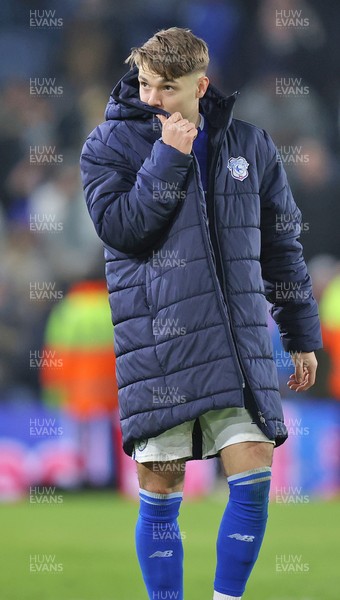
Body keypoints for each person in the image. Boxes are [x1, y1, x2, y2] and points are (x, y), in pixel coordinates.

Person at [80, 27, 322, 600]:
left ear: (200, 85)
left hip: (236, 342)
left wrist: (299, 333)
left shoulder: (249, 146)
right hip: (158, 345)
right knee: (161, 489)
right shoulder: (109, 145)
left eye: (168, 87)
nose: (152, 97)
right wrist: (168, 156)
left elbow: (283, 245)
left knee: (255, 466)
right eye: (144, 83)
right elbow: (122, 229)